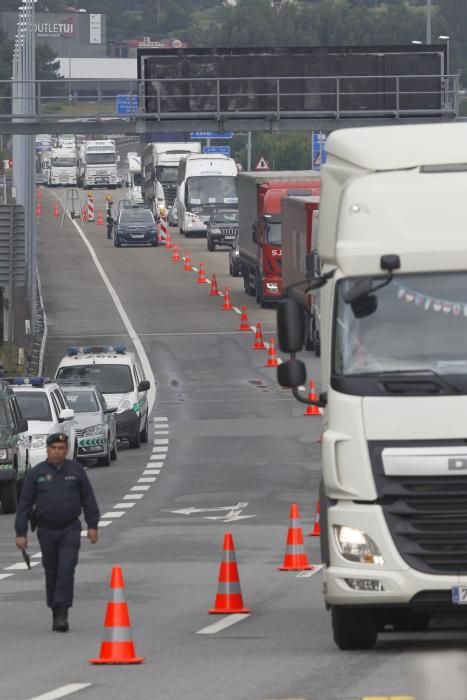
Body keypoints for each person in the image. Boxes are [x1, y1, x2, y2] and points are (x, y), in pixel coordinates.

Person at [15, 433, 100, 632]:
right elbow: (25, 505)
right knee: (52, 570)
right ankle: (55, 607)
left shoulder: (76, 471)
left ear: (67, 450)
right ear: (47, 449)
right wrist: (21, 533)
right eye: (54, 448)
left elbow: (88, 499)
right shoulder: (36, 473)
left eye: (61, 448)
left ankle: (62, 612)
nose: (57, 451)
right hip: (46, 530)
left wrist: (92, 526)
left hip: (70, 528)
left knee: (67, 568)